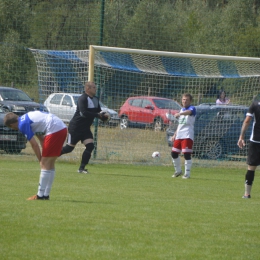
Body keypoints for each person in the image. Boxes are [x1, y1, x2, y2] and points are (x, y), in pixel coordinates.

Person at [4, 111, 67, 200]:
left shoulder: (22, 125)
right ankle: (46, 195)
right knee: (50, 163)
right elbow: (41, 138)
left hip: (55, 130)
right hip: (61, 128)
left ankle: (40, 195)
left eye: (11, 127)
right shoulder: (26, 118)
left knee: (45, 164)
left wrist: (40, 160)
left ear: (12, 124)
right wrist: (44, 155)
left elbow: (34, 144)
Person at [60, 81, 109, 173]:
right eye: (94, 87)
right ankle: (49, 157)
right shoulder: (82, 98)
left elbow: (99, 111)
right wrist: (98, 115)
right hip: (75, 128)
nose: (96, 89)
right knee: (68, 149)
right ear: (88, 89)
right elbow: (84, 113)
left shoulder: (95, 99)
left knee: (90, 146)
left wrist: (104, 116)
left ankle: (81, 169)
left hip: (85, 129)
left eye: (95, 87)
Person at [237, 100, 260, 199]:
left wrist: (241, 137)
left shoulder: (255, 104)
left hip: (256, 140)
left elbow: (247, 120)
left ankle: (247, 193)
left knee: (251, 167)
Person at [171, 93, 196, 179]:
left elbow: (189, 112)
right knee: (174, 153)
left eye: (187, 100)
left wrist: (180, 114)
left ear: (190, 101)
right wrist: (175, 134)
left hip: (187, 134)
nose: (185, 101)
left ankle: (187, 174)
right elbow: (180, 125)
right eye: (183, 99)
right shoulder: (181, 110)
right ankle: (178, 171)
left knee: (186, 153)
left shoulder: (192, 108)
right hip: (179, 135)